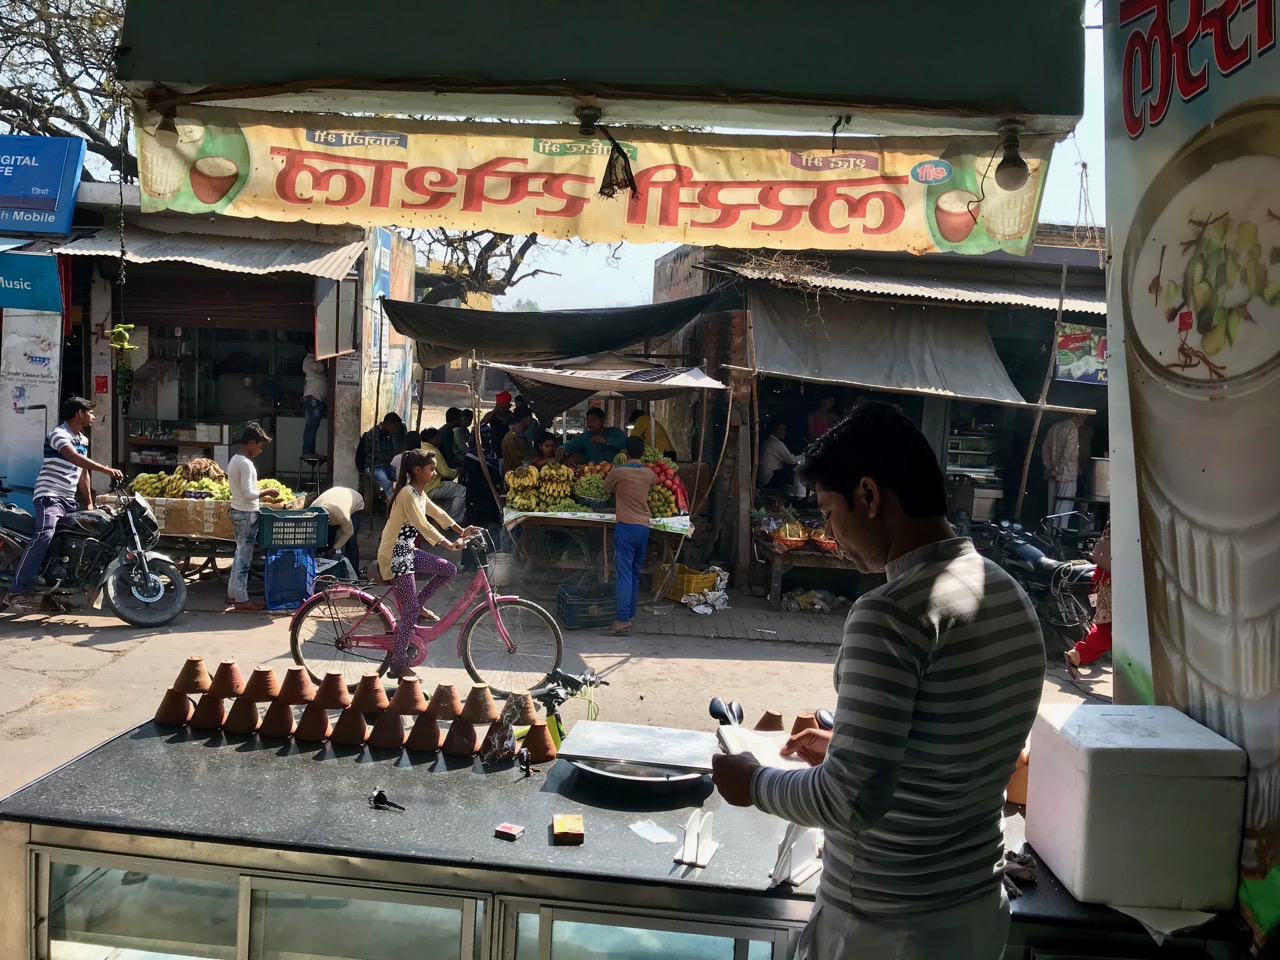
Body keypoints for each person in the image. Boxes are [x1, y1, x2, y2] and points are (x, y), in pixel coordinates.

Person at [711, 402, 1044, 960]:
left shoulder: (889, 613)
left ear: (869, 496)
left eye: (828, 512)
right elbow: (950, 745)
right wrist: (848, 745)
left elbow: (852, 799)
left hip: (886, 927)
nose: (829, 533)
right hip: (974, 915)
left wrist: (755, 783)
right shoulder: (1009, 596)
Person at [5, 397, 123, 613]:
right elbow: (75, 459)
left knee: (67, 544)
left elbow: (82, 472)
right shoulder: (58, 434)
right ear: (79, 413)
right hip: (49, 495)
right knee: (45, 534)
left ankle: (50, 594)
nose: (93, 416)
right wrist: (106, 469)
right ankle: (16, 591)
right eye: (90, 412)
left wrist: (88, 501)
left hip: (69, 499)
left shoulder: (83, 439)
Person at [376, 449, 480, 676]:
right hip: (395, 555)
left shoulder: (418, 493)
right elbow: (424, 525)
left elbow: (438, 514)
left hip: (408, 551)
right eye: (431, 469)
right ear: (417, 470)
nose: (434, 473)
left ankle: (418, 605)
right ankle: (398, 663)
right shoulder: (407, 494)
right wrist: (449, 544)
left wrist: (461, 530)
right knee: (409, 612)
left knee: (448, 569)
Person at [226, 422, 281, 612]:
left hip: (236, 511)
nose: (260, 450)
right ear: (251, 442)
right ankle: (241, 599)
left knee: (239, 553)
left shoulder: (234, 460)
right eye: (260, 446)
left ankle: (233, 594)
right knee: (244, 558)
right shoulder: (246, 464)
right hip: (246, 513)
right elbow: (249, 494)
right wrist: (268, 492)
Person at [603, 437, 655, 636]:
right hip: (643, 528)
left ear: (625, 451)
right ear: (642, 453)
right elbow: (655, 480)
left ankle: (622, 619)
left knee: (623, 574)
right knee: (634, 573)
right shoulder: (649, 473)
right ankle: (631, 614)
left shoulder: (619, 472)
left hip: (626, 527)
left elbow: (605, 488)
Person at [1066, 521, 1111, 678]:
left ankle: (1078, 655)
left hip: (1107, 578)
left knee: (1108, 628)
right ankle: (1077, 654)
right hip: (1112, 582)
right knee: (1110, 630)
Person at [1043, 413, 1087, 528]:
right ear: (1079, 419)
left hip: (1051, 472)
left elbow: (1045, 449)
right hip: (1067, 475)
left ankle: (1048, 533)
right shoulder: (1072, 430)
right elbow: (1067, 454)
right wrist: (1057, 470)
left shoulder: (1054, 427)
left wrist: (1049, 468)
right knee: (1064, 507)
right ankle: (1058, 535)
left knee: (1051, 506)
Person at [312, 485, 365, 575]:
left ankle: (354, 574)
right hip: (335, 498)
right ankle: (324, 572)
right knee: (326, 540)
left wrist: (333, 549)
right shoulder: (312, 511)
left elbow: (348, 532)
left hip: (355, 501)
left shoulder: (341, 515)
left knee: (350, 541)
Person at [356, 412, 402, 500]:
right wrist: (393, 460)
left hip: (384, 465)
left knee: (401, 476)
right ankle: (393, 506)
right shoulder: (374, 433)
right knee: (388, 487)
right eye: (394, 427)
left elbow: (390, 452)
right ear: (388, 424)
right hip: (373, 466)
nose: (395, 430)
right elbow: (378, 454)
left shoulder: (388, 435)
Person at [559, 407, 628, 465]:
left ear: (603, 421)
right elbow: (569, 445)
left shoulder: (615, 432)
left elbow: (626, 443)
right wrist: (562, 448)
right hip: (592, 473)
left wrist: (606, 441)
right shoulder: (584, 437)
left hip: (616, 471)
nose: (589, 424)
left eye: (593, 421)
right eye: (588, 421)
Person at [759, 422, 801, 493]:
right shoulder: (776, 443)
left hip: (763, 478)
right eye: (781, 430)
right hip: (770, 479)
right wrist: (805, 456)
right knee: (795, 472)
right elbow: (791, 460)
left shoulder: (767, 442)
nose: (784, 432)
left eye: (784, 430)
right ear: (773, 431)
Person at [301, 353, 328, 457]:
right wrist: (324, 366)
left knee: (313, 426)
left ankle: (311, 450)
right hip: (312, 399)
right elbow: (315, 367)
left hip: (317, 400)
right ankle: (308, 451)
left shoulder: (317, 361)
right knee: (311, 426)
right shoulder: (309, 359)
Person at [502, 406, 535, 476]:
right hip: (515, 478)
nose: (531, 421)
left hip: (527, 475)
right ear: (524, 419)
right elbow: (519, 462)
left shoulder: (524, 436)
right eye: (530, 418)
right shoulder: (510, 439)